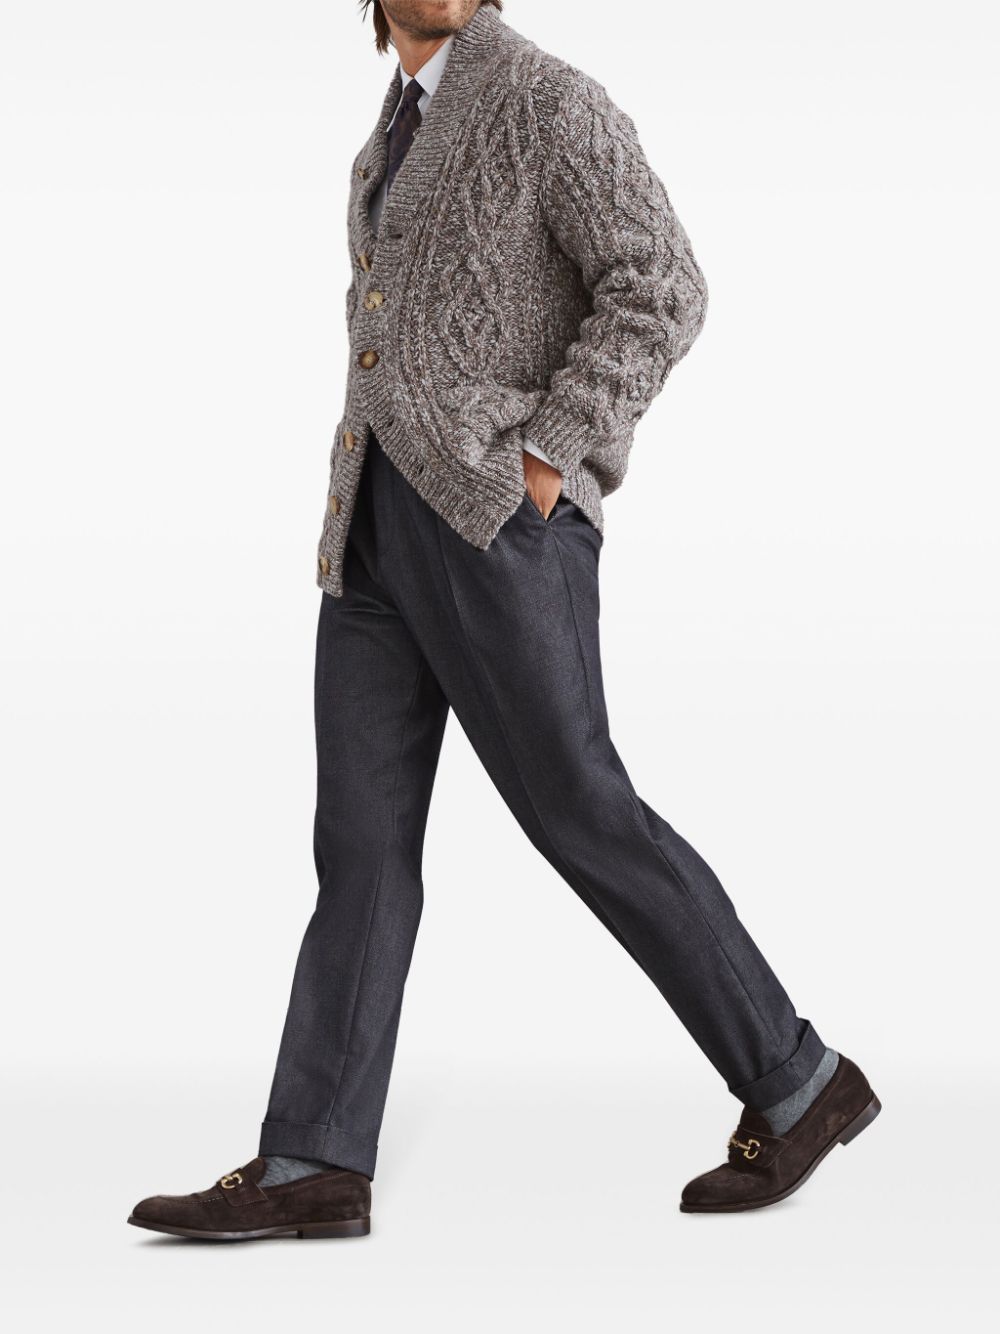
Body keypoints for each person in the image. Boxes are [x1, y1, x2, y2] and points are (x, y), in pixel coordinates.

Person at [128, 0, 880, 1242]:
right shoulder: (389, 132)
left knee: (579, 806)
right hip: (374, 525)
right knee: (360, 846)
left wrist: (546, 453)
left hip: (492, 524)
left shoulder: (544, 98)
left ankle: (798, 1079)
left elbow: (664, 285)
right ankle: (314, 1156)